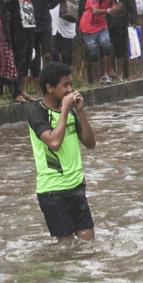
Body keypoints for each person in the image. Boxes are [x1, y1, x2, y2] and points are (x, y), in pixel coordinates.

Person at [28, 61, 97, 241]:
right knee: (66, 250)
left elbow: (91, 143)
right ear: (49, 87)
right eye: (65, 85)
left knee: (88, 242)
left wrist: (80, 112)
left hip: (76, 186)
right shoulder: (38, 113)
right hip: (53, 192)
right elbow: (54, 143)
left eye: (70, 84)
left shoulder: (72, 113)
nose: (70, 89)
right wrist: (65, 110)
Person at [80, 0, 121, 83]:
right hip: (88, 25)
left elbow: (113, 16)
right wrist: (109, 10)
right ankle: (97, 78)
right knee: (93, 51)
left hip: (102, 24)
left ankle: (106, 73)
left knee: (107, 46)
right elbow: (94, 10)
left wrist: (117, 9)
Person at [105, 0, 138, 81]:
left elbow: (131, 2)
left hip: (122, 21)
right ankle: (110, 71)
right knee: (107, 46)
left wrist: (133, 20)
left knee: (121, 47)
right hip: (108, 21)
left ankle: (120, 73)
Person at [48, 0, 78, 69]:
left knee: (67, 55)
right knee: (54, 55)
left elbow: (74, 7)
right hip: (53, 27)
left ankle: (68, 78)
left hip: (66, 27)